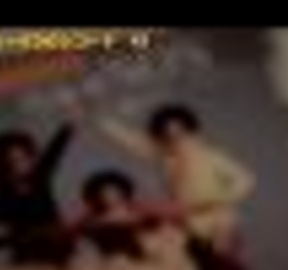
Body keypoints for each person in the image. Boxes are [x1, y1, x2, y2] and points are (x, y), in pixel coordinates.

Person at [93, 104, 256, 255]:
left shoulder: (210, 156)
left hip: (216, 220)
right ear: (161, 138)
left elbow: (246, 181)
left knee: (219, 257)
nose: (175, 139)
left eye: (180, 132)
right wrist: (100, 118)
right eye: (168, 135)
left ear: (192, 131)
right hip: (184, 221)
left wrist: (211, 201)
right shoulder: (167, 156)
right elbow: (133, 142)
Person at [0, 122, 76, 266]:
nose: (21, 164)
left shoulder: (39, 178)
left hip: (60, 252)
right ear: (1, 164)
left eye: (26, 157)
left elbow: (55, 149)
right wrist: (19, 237)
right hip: (29, 259)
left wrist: (70, 125)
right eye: (12, 160)